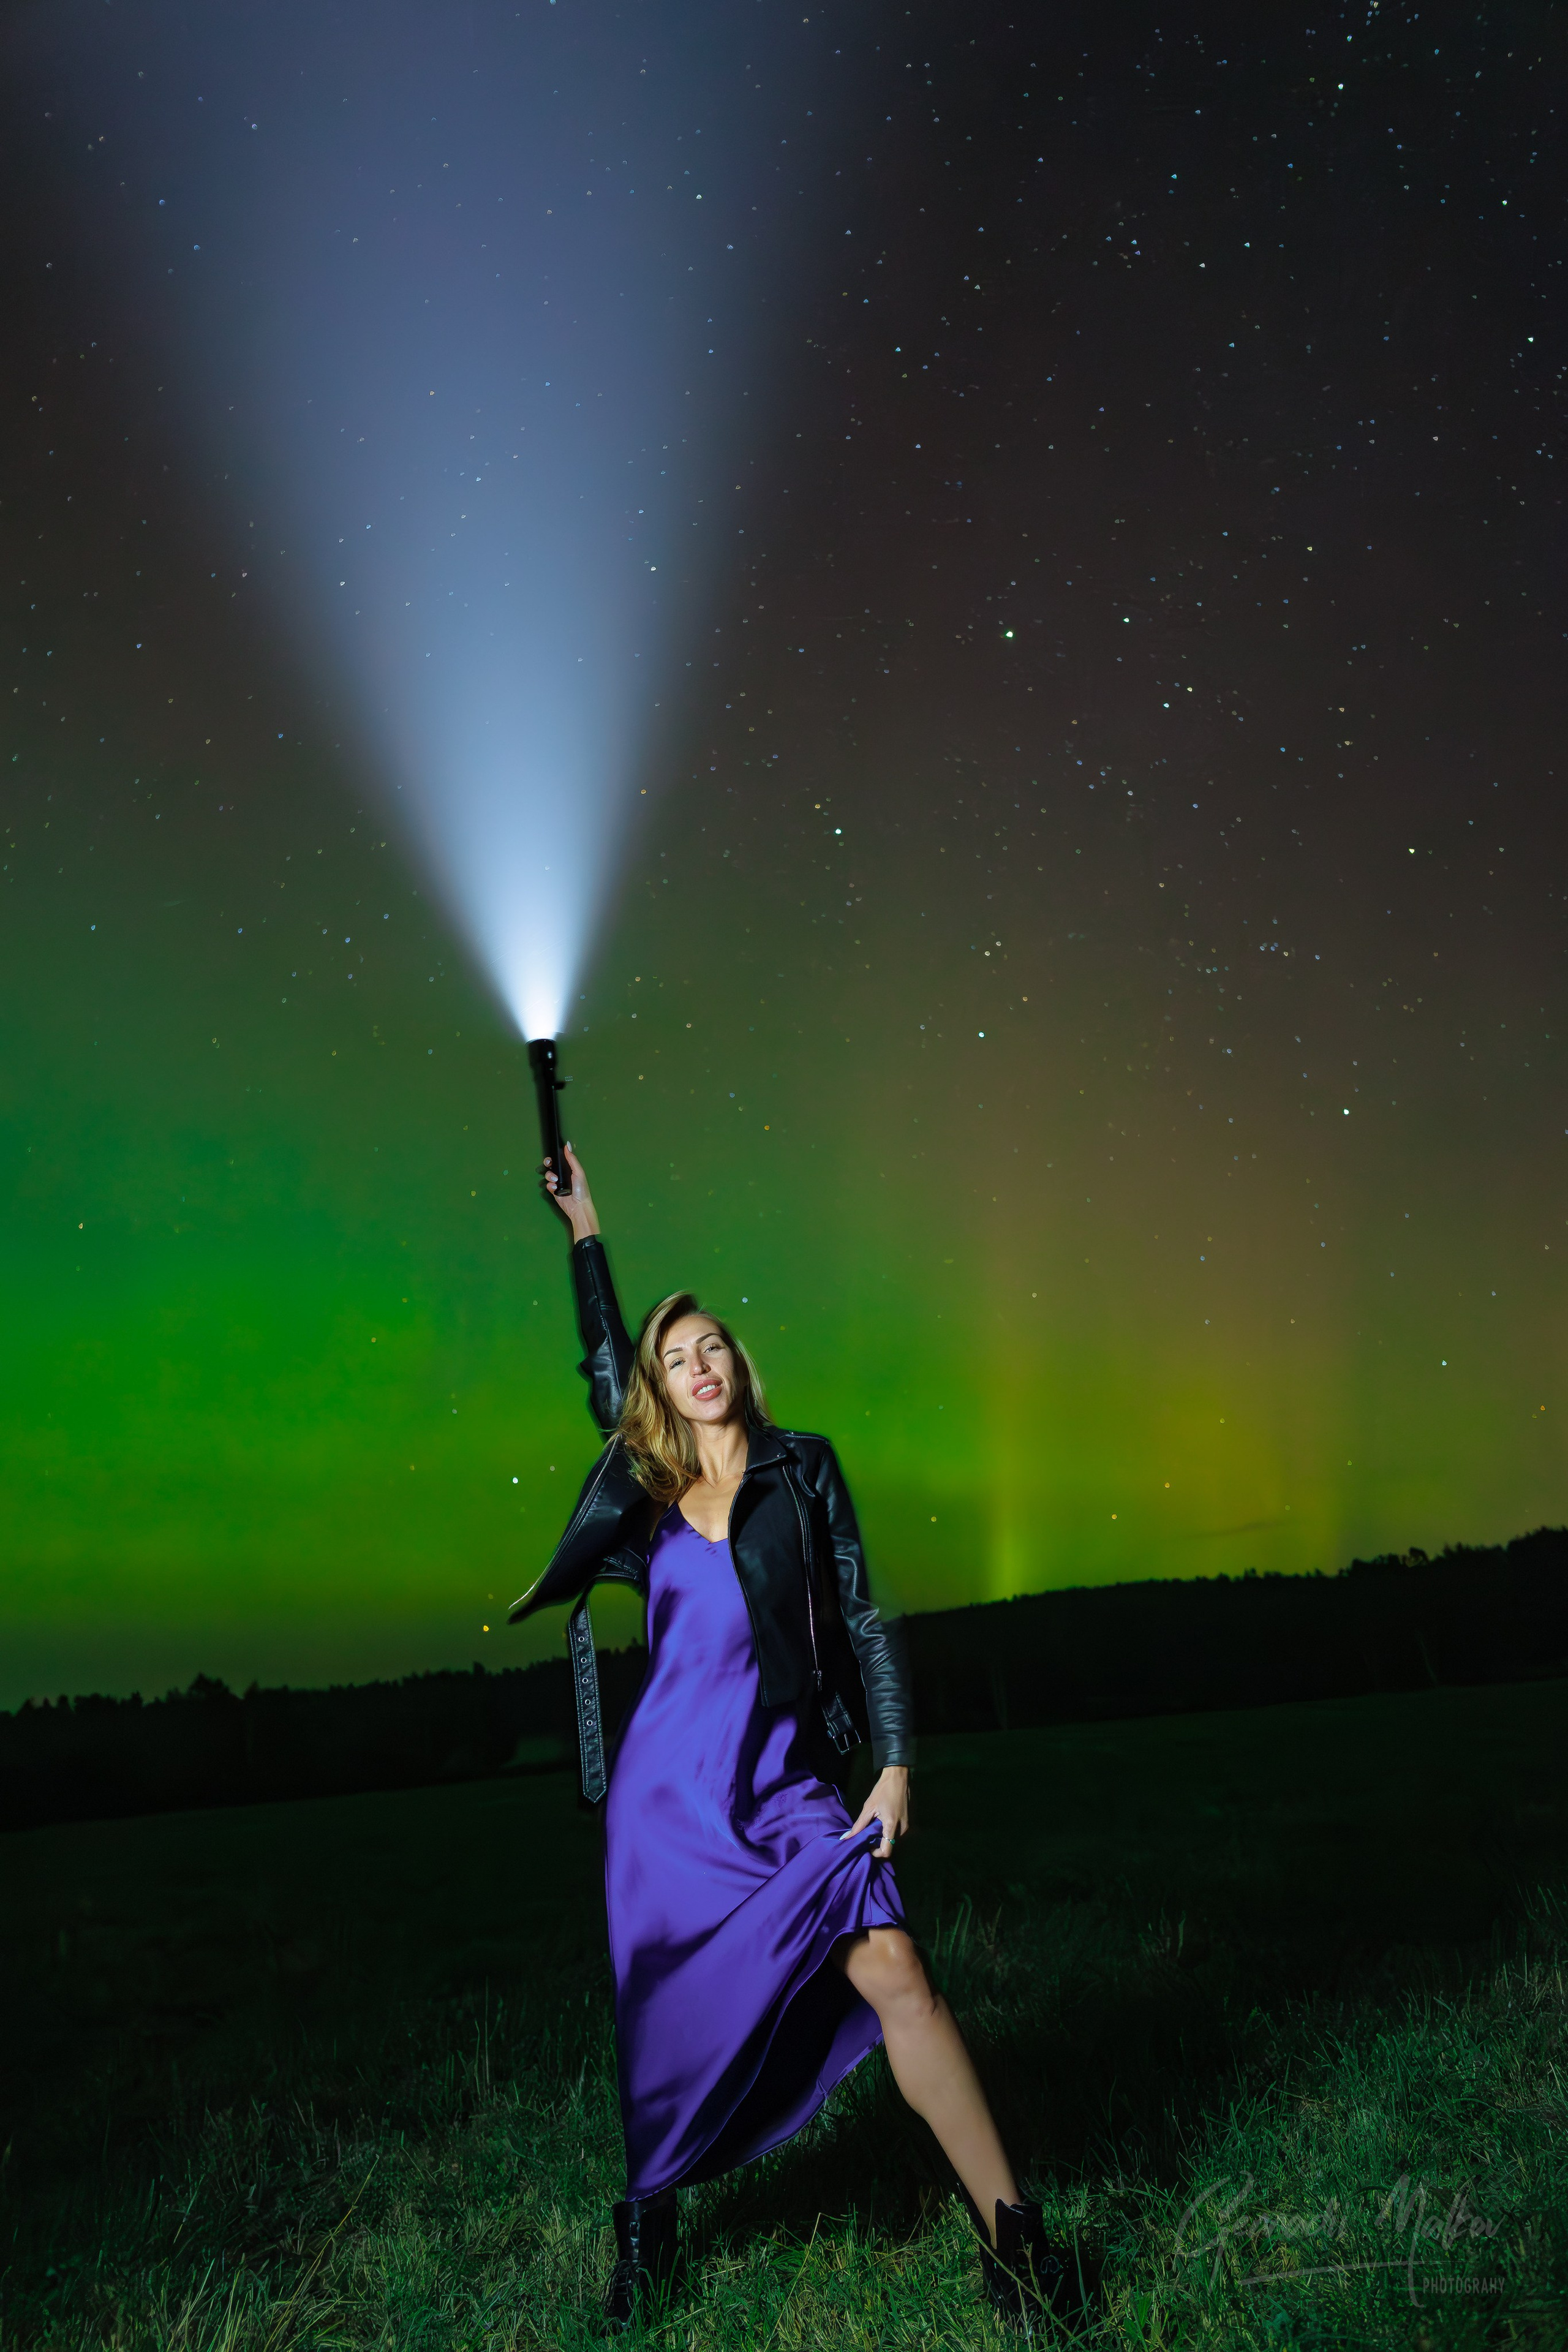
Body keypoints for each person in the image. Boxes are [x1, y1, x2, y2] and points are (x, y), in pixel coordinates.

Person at [509, 1144, 1081, 2333]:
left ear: (738, 1361)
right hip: (666, 1808)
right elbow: (599, 1356)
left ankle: (1011, 2238)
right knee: (661, 2026)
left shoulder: (800, 1471)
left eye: (711, 1345)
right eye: (674, 1358)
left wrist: (893, 1762)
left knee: (896, 1972)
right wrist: (586, 1227)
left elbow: (864, 1615)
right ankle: (647, 2224)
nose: (698, 1365)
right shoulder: (646, 1496)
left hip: (788, 1790)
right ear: (655, 1389)